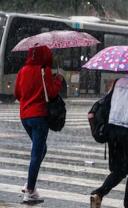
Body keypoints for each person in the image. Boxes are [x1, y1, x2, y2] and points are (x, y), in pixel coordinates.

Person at [90, 71, 128, 208]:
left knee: (119, 170)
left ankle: (98, 194)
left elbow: (109, 104)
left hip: (113, 130)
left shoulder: (119, 82)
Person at [14, 46, 63, 203]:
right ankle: (29, 191)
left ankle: (30, 184)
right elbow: (52, 92)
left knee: (42, 149)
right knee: (36, 154)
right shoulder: (44, 70)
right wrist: (58, 80)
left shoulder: (23, 70)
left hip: (25, 116)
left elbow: (17, 93)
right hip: (39, 116)